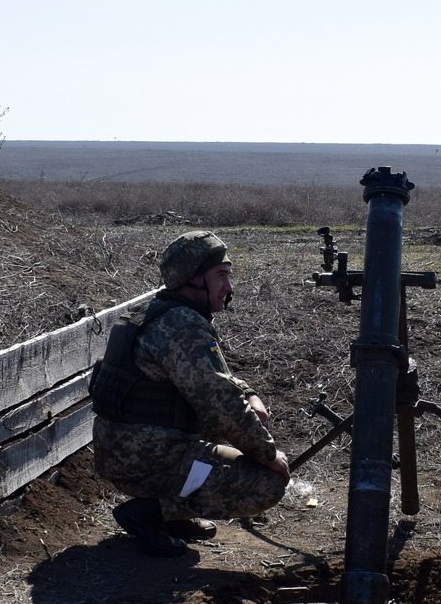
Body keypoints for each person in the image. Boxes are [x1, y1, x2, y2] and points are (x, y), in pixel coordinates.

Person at [89, 230, 290, 556]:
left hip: (127, 451)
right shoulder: (182, 325)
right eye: (220, 276)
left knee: (229, 429)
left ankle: (172, 513)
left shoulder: (152, 311)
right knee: (268, 484)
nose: (229, 287)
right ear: (193, 280)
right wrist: (268, 455)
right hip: (147, 459)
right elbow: (221, 405)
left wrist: (250, 393)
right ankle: (153, 513)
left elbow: (211, 380)